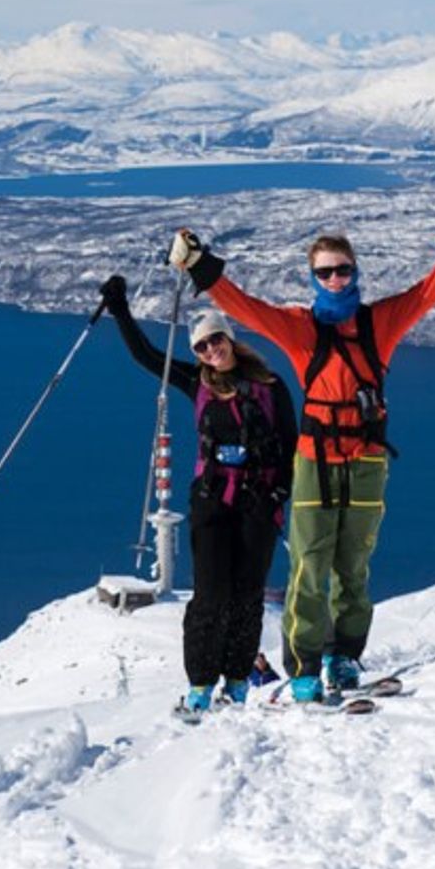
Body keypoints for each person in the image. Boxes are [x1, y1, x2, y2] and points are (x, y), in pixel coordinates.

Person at [167, 185, 435, 702]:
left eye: (342, 269)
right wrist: (200, 265)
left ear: (355, 270)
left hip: (365, 459)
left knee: (353, 564)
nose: (335, 279)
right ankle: (302, 667)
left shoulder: (378, 324)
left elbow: (433, 289)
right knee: (309, 563)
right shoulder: (300, 329)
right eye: (325, 272)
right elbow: (245, 309)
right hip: (315, 461)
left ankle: (344, 658)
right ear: (313, 276)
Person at [99, 275, 298, 717]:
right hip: (212, 501)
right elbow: (146, 356)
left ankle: (239, 680)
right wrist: (119, 309)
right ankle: (201, 685)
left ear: (229, 338)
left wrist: (278, 494)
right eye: (202, 347)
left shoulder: (269, 385)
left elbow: (290, 443)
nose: (211, 351)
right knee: (210, 594)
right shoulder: (197, 382)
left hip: (258, 502)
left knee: (247, 594)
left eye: (215, 341)